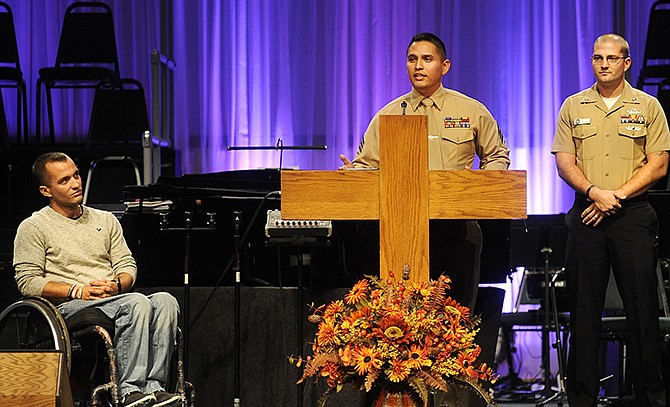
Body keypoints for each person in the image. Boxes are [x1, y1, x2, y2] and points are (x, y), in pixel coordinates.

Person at [340, 32, 510, 309]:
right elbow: (366, 165)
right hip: (402, 230)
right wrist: (355, 175)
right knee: (405, 316)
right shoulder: (389, 114)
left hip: (458, 227)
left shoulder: (470, 110)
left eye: (427, 59)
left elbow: (497, 155)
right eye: (412, 59)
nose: (418, 66)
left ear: (444, 66)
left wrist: (479, 188)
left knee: (456, 315)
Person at [552, 33, 669, 406]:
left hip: (632, 215)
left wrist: (614, 196)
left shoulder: (648, 106)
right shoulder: (573, 105)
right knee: (584, 312)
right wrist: (593, 192)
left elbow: (659, 164)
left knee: (642, 311)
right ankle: (582, 400)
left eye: (612, 58)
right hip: (587, 214)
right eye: (598, 58)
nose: (604, 64)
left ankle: (650, 397)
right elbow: (564, 161)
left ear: (626, 63)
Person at [13, 152, 183, 407]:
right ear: (46, 190)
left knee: (166, 301)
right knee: (136, 303)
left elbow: (127, 266)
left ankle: (154, 388)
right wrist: (76, 290)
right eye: (64, 180)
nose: (75, 183)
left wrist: (116, 284)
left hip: (113, 299)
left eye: (76, 175)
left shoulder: (106, 220)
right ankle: (129, 391)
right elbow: (28, 282)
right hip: (67, 308)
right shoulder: (34, 226)